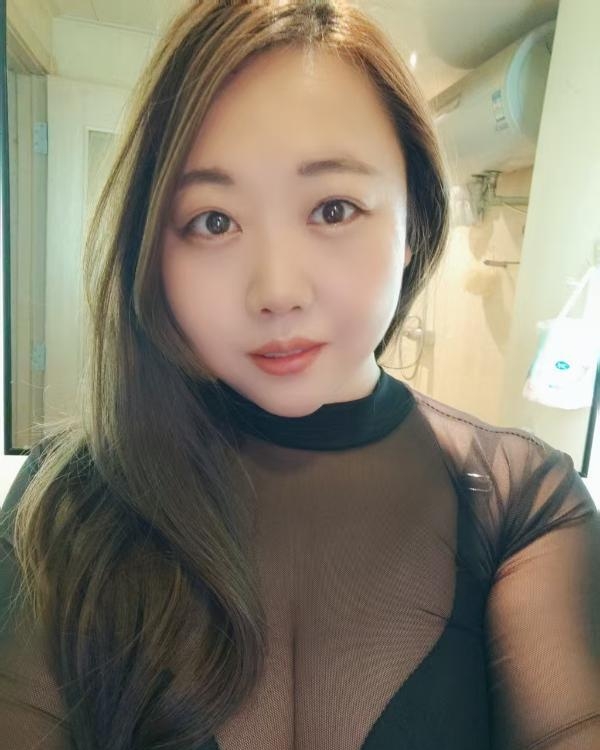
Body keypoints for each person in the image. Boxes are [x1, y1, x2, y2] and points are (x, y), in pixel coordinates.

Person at [1, 1, 598, 749]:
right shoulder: (73, 499)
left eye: (333, 209)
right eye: (213, 221)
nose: (276, 291)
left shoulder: (520, 505)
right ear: (153, 247)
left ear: (412, 222)